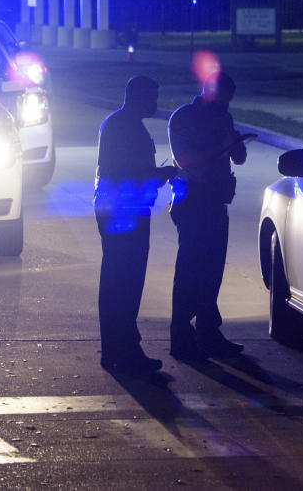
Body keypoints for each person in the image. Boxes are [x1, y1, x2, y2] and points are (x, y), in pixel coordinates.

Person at [95, 75, 177, 377]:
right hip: (122, 211)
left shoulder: (122, 123)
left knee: (122, 281)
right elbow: (124, 171)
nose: (155, 105)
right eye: (151, 98)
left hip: (125, 208)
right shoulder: (122, 126)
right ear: (136, 96)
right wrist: (160, 174)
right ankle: (121, 351)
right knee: (123, 282)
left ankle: (120, 348)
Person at [168, 71, 248, 361]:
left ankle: (208, 332)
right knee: (190, 269)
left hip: (216, 200)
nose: (225, 106)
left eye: (229, 101)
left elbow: (237, 158)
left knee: (213, 270)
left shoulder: (223, 118)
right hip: (192, 201)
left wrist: (236, 146)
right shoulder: (184, 117)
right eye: (222, 99)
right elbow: (185, 159)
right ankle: (181, 336)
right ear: (208, 92)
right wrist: (223, 146)